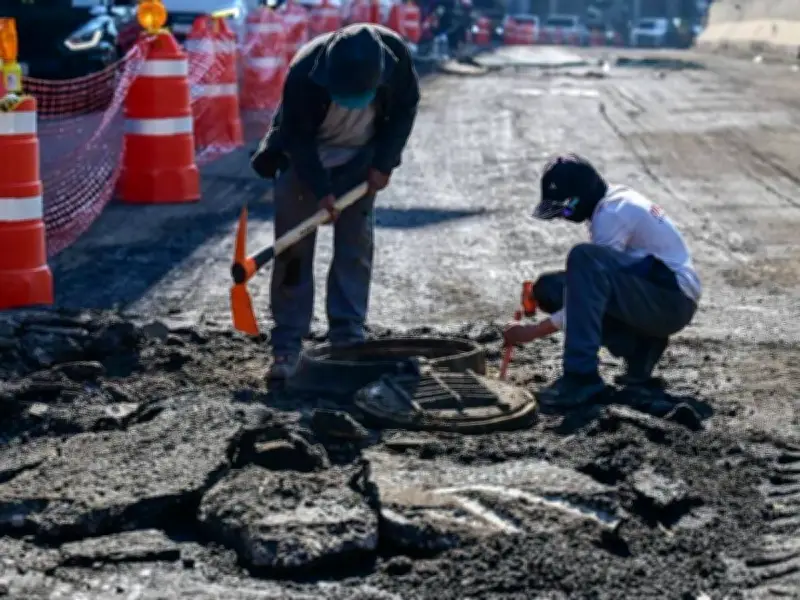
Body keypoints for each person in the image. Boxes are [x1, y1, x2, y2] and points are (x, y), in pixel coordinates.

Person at [251, 23, 420, 381]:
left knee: (354, 245)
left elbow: (405, 109)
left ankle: (347, 336)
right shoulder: (304, 72)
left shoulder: (396, 58)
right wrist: (320, 190)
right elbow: (297, 137)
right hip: (304, 159)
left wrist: (384, 163)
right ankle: (288, 344)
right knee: (293, 250)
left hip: (361, 158)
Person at [503, 154, 702, 408]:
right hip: (661, 296)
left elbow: (588, 294)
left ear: (580, 197)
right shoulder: (612, 200)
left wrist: (533, 332)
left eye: (565, 208)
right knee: (551, 289)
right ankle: (640, 348)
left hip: (670, 299)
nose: (563, 216)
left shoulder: (612, 214)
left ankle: (581, 376)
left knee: (583, 258)